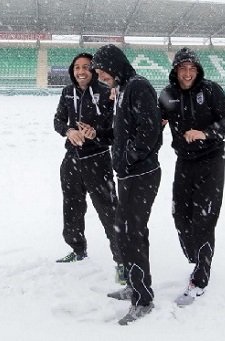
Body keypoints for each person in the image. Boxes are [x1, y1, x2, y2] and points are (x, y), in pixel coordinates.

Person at [158, 47, 225, 306]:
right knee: (180, 216)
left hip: (211, 161)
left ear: (198, 70)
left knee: (204, 219)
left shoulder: (211, 90)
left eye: (192, 68)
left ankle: (201, 276)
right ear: (175, 70)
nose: (188, 73)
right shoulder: (168, 95)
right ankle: (196, 256)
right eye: (183, 68)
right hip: (184, 162)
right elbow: (155, 121)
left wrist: (206, 133)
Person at [91, 44, 162, 325]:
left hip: (141, 175)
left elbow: (149, 130)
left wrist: (129, 158)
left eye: (102, 71)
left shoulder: (138, 87)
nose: (100, 77)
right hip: (128, 175)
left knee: (132, 234)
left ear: (114, 65)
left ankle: (143, 299)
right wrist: (98, 134)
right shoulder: (122, 90)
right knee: (124, 233)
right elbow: (121, 133)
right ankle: (134, 284)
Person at [53, 53, 125, 283]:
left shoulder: (106, 93)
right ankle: (77, 249)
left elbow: (115, 132)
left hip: (98, 160)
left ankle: (122, 262)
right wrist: (69, 131)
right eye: (77, 67)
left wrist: (95, 134)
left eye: (86, 67)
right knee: (72, 207)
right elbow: (57, 120)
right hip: (72, 160)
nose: (81, 71)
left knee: (109, 211)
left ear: (93, 70)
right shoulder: (67, 92)